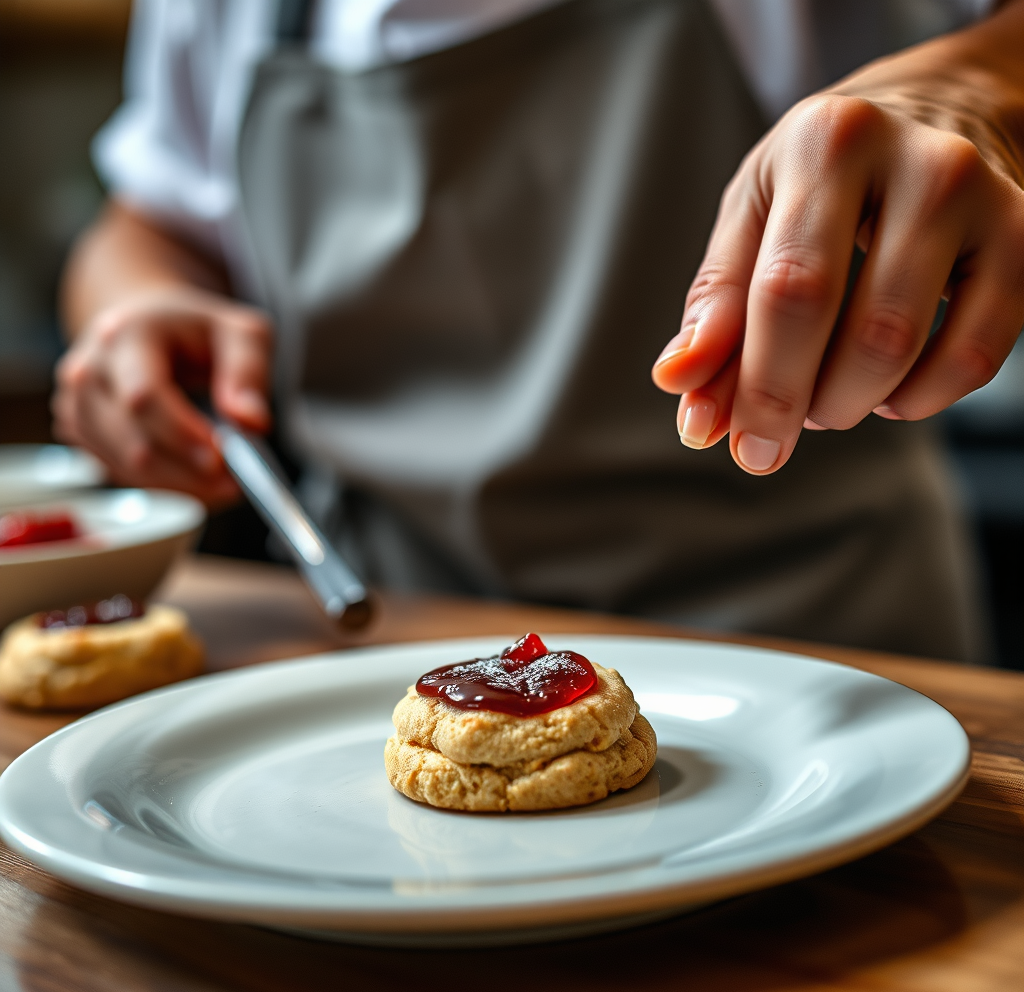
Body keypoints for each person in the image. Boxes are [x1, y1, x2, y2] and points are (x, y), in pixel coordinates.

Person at [53, 0, 1024, 659]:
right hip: (378, 644)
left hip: (819, 641)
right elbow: (148, 222)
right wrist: (134, 307)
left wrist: (973, 85)